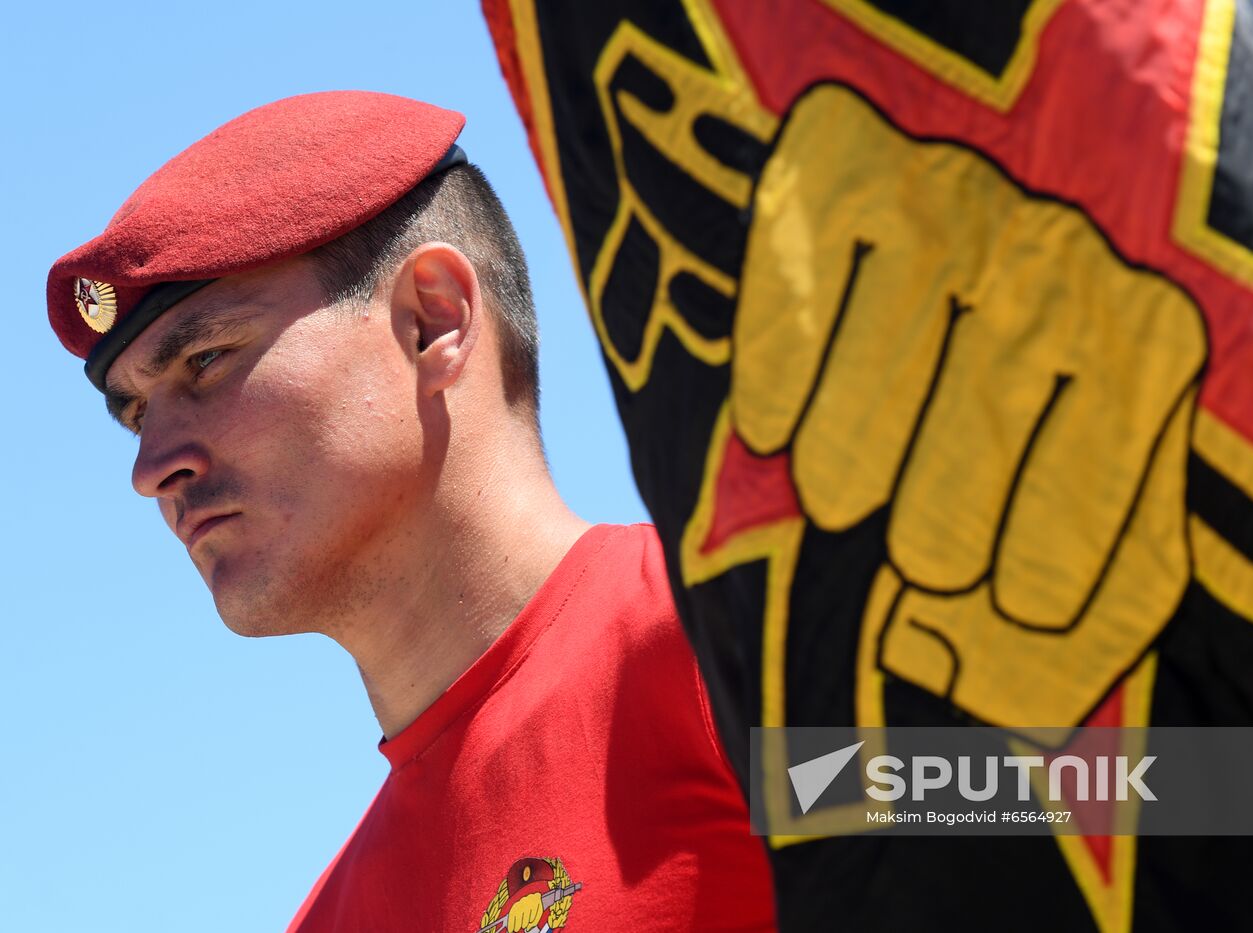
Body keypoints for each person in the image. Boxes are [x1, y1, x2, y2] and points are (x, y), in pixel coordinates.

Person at [46, 90, 776, 931]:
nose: (150, 467)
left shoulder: (732, 653)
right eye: (136, 413)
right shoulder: (332, 917)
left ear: (433, 320)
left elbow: (959, 826)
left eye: (207, 360)